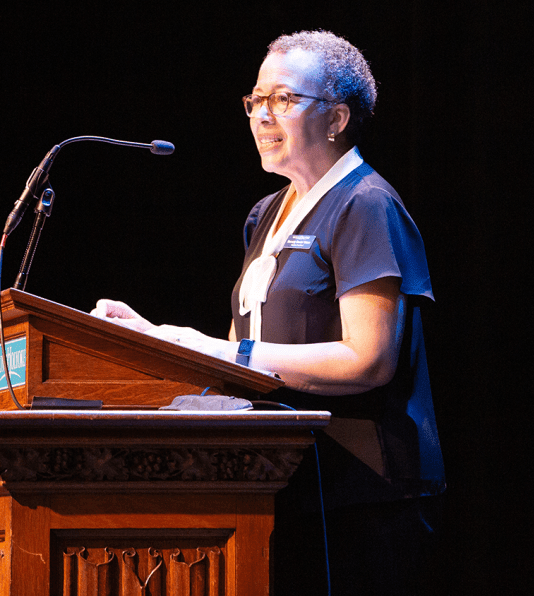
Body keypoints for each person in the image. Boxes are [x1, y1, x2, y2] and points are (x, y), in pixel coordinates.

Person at [91, 30, 445, 595]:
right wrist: (155, 339)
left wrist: (224, 350)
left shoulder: (365, 205)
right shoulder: (265, 214)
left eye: (283, 99)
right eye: (255, 99)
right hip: (275, 481)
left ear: (337, 118)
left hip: (360, 498)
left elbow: (369, 359)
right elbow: (239, 365)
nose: (261, 115)